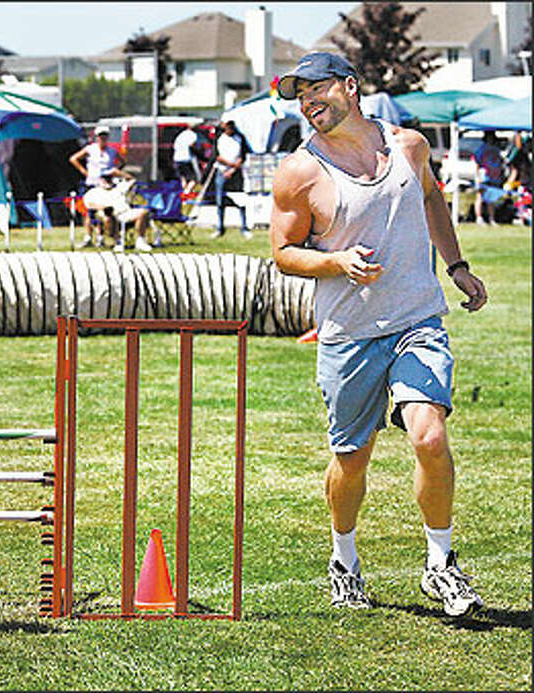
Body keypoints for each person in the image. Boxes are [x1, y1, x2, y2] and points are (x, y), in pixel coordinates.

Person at [269, 52, 488, 616]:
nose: (307, 102)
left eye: (316, 89)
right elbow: (285, 253)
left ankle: (440, 564)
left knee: (429, 437)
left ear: (349, 85)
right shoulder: (300, 172)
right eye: (299, 96)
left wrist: (457, 266)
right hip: (349, 334)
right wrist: (337, 260)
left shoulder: (409, 147)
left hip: (417, 319)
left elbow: (432, 197)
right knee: (352, 459)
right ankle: (344, 560)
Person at [69, 125, 124, 247]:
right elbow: (73, 159)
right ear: (96, 137)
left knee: (104, 211)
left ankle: (101, 237)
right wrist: (84, 172)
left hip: (105, 186)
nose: (102, 138)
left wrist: (113, 173)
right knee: (88, 211)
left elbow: (122, 162)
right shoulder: (90, 149)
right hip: (91, 184)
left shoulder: (112, 151)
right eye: (100, 136)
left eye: (105, 136)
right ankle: (88, 237)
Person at [82, 169, 153, 252]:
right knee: (108, 217)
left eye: (109, 178)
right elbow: (89, 204)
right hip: (106, 214)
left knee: (142, 212)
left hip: (124, 213)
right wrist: (103, 207)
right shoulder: (93, 192)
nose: (106, 181)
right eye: (104, 178)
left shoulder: (120, 187)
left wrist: (118, 172)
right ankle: (118, 241)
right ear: (99, 179)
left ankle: (140, 241)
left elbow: (132, 179)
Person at [213, 117, 251, 239]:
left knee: (240, 201)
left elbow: (243, 155)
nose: (228, 129)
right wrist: (229, 166)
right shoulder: (219, 138)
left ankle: (244, 228)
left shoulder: (240, 138)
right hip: (222, 171)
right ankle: (220, 228)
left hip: (236, 173)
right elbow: (216, 156)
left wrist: (234, 168)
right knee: (220, 201)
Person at [472, 131, 503, 225]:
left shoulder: (496, 150)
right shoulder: (481, 149)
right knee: (480, 197)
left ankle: (492, 218)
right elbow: (477, 163)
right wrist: (477, 176)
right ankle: (479, 217)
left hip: (493, 177)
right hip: (483, 176)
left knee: (491, 199)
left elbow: (499, 163)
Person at [173, 123, 202, 193]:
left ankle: (184, 193)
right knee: (196, 178)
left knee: (183, 178)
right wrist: (199, 153)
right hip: (187, 159)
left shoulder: (181, 135)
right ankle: (187, 192)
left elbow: (174, 146)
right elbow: (192, 146)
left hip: (177, 159)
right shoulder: (193, 135)